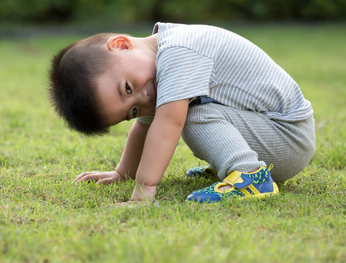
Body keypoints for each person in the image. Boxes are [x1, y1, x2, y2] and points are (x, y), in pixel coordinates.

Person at [48, 23, 316, 203]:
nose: (145, 99)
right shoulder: (164, 52)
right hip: (273, 135)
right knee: (176, 109)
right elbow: (145, 125)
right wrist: (123, 172)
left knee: (185, 113)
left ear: (120, 45)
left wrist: (144, 190)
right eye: (131, 110)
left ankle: (249, 175)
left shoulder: (178, 51)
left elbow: (167, 124)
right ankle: (228, 165)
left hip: (287, 136)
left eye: (128, 87)